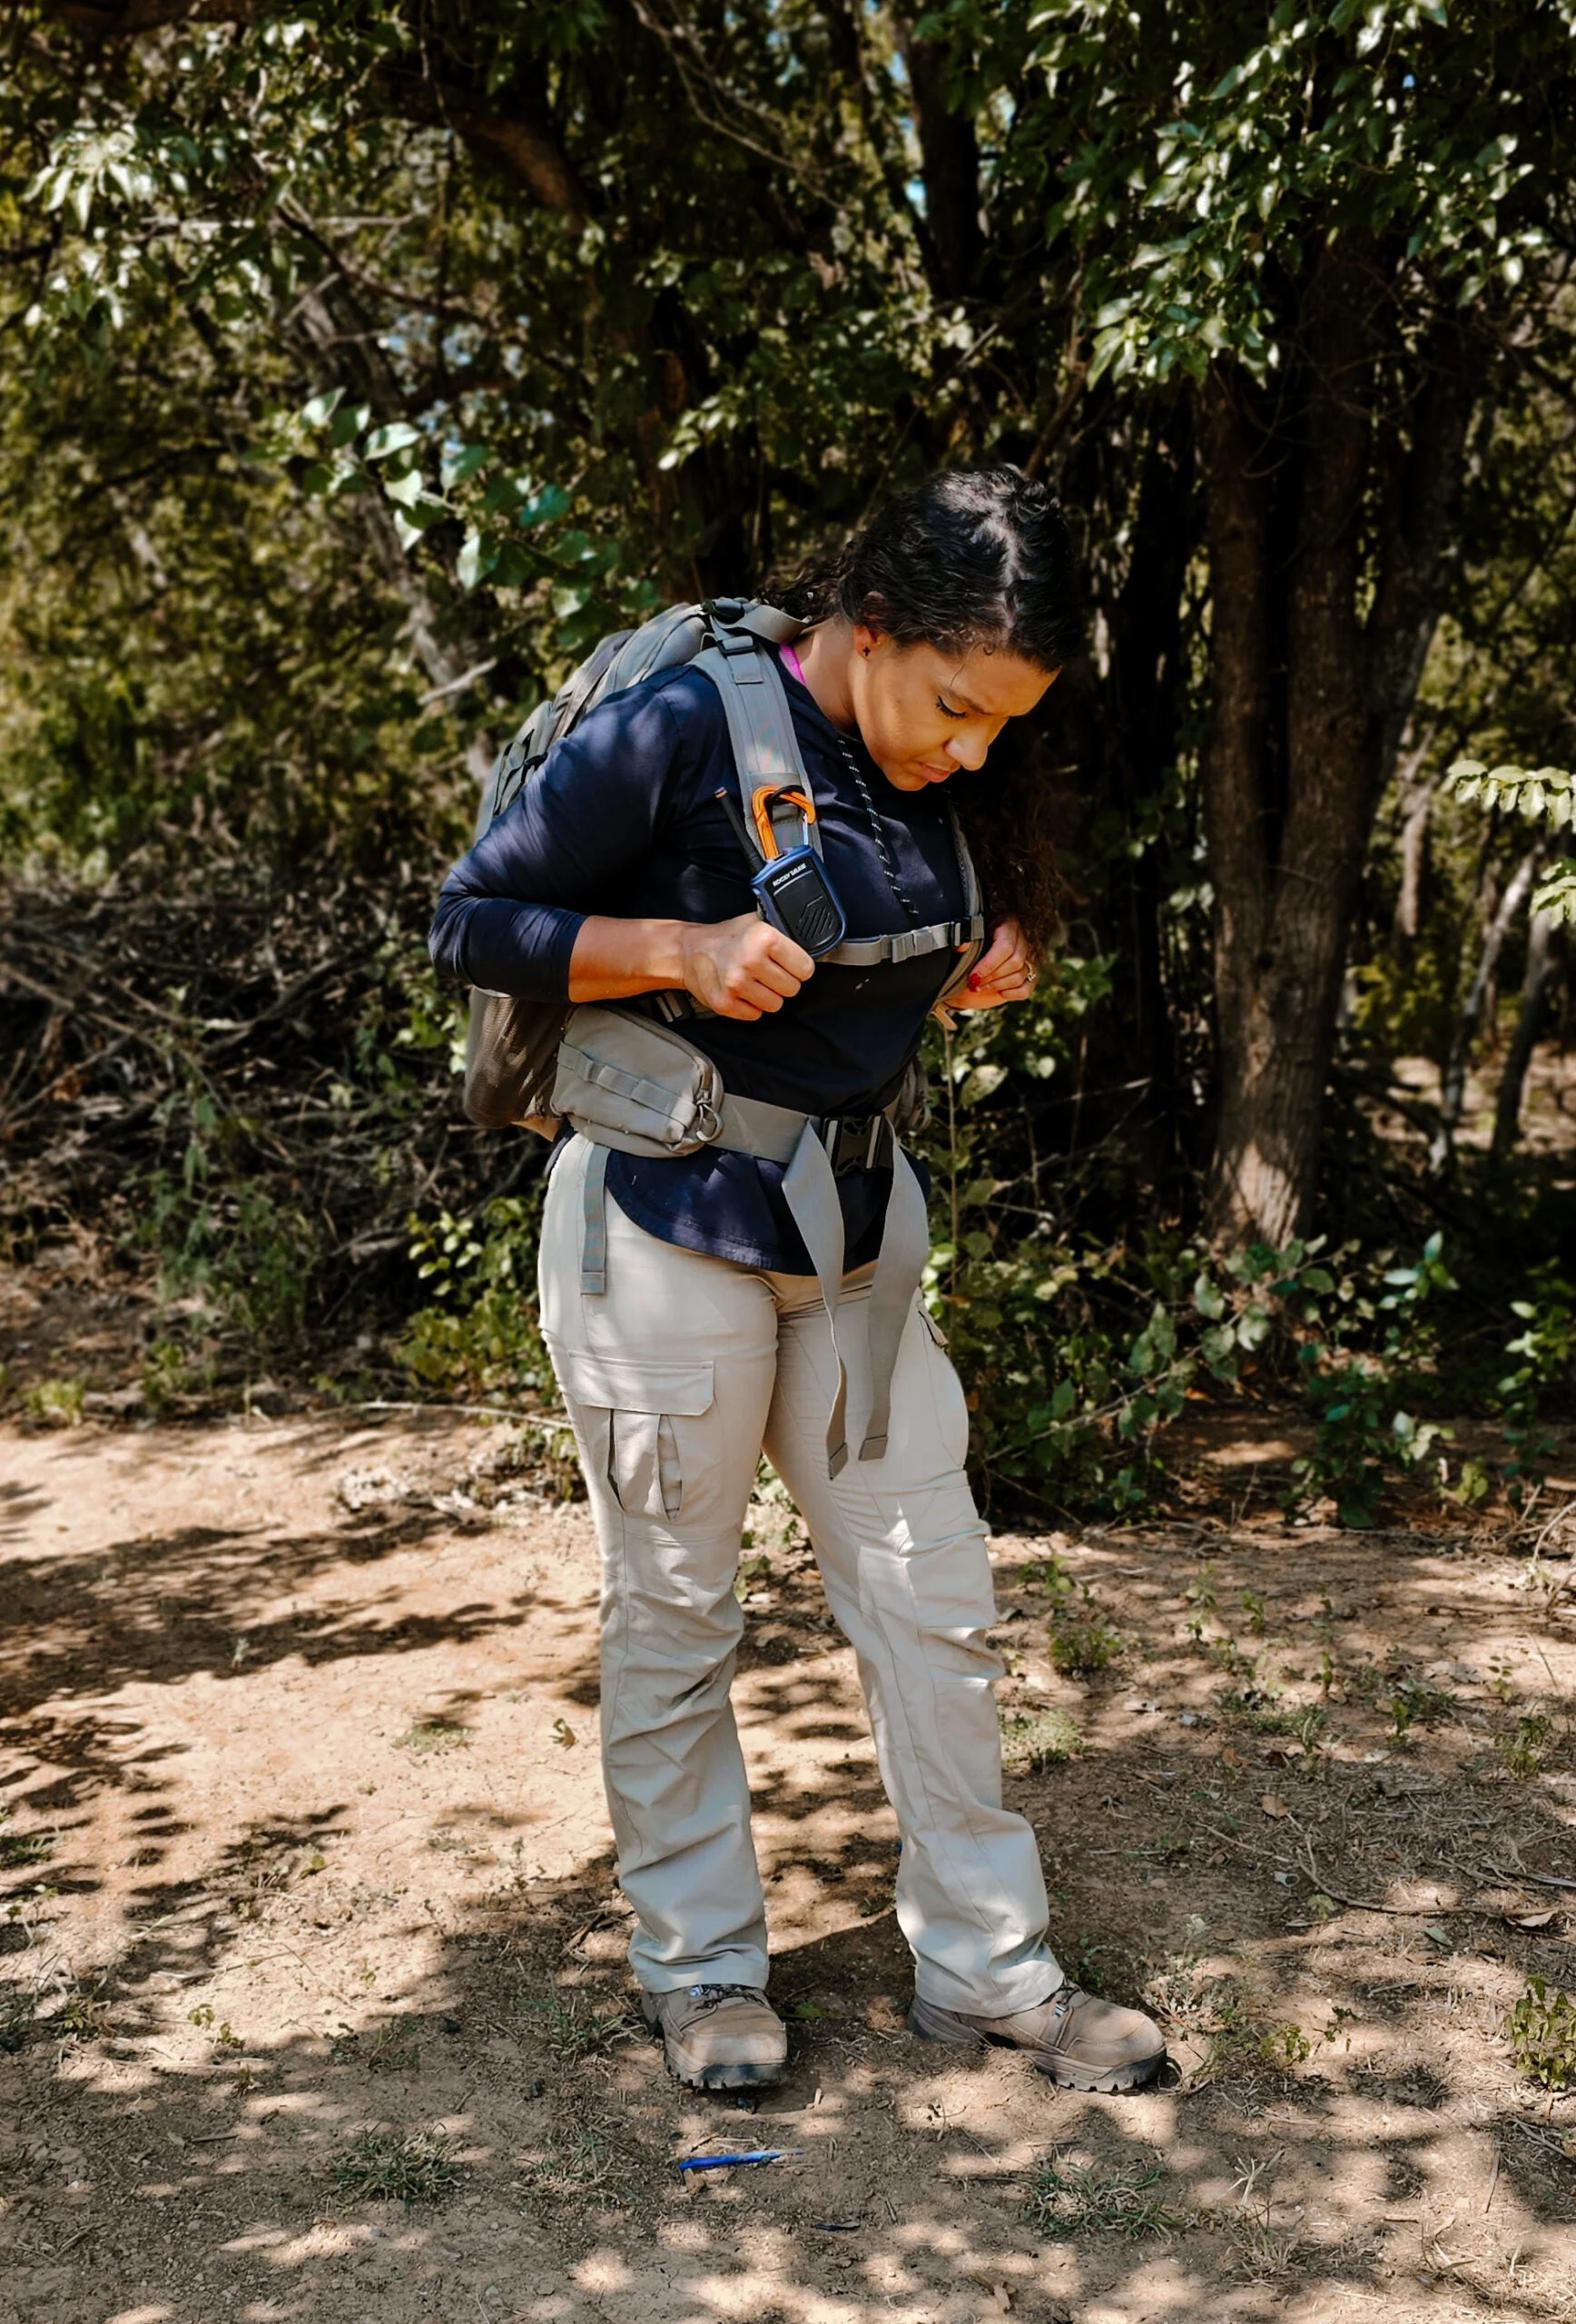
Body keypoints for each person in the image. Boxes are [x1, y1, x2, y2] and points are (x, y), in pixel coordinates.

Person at [428, 466, 1169, 2096]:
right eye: (957, 708)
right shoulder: (693, 722)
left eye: (1003, 731)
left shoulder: (942, 768)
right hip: (660, 1230)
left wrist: (989, 951)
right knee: (680, 1619)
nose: (971, 752)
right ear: (872, 627)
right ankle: (703, 1979)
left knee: (938, 1609)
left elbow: (893, 931)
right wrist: (673, 954)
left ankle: (989, 1972)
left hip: (855, 1244)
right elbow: (472, 920)